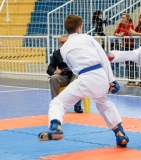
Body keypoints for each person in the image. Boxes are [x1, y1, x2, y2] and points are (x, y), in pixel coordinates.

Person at [38, 15, 129, 148]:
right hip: (101, 76)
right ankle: (120, 133)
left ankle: (56, 127)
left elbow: (74, 69)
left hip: (84, 77)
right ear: (80, 27)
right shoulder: (87, 38)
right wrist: (112, 80)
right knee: (103, 102)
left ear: (67, 28)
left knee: (58, 102)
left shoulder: (63, 48)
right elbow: (103, 57)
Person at [47, 35, 83, 113]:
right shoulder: (56, 53)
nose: (63, 44)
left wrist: (62, 71)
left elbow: (78, 67)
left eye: (65, 42)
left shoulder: (76, 52)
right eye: (62, 42)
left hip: (74, 75)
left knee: (77, 79)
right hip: (63, 77)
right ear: (60, 44)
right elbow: (50, 68)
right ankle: (56, 106)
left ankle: (77, 106)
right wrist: (54, 72)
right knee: (53, 78)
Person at [114, 13, 135, 86]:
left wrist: (121, 34)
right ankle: (129, 80)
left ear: (127, 19)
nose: (122, 19)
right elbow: (115, 33)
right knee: (126, 63)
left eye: (124, 18)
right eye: (122, 18)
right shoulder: (121, 24)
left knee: (131, 63)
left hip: (131, 45)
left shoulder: (130, 24)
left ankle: (132, 80)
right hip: (124, 45)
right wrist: (120, 35)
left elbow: (127, 33)